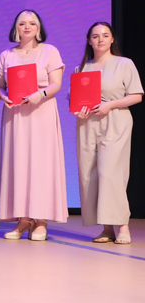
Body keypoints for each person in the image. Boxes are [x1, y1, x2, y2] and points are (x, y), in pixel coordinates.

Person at [0, 9, 68, 241]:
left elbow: (56, 84)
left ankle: (41, 220)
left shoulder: (49, 51)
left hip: (41, 111)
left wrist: (40, 94)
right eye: (22, 23)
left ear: (39, 28)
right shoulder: (7, 55)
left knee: (41, 164)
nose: (27, 27)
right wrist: (3, 96)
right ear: (16, 28)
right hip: (15, 114)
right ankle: (24, 219)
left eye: (32, 23)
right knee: (19, 162)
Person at [74, 22, 142, 244]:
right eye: (95, 36)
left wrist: (110, 105)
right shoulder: (82, 68)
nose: (100, 39)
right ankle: (106, 228)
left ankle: (122, 226)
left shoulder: (124, 64)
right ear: (89, 40)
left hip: (115, 119)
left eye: (105, 35)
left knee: (111, 173)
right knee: (89, 174)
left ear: (112, 39)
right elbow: (75, 100)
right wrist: (79, 111)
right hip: (87, 123)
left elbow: (136, 95)